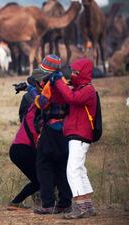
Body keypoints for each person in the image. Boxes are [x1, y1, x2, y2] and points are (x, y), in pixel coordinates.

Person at [50, 58, 97, 219]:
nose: (74, 75)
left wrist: (60, 81)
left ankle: (79, 207)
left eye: (77, 72)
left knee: (72, 170)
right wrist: (55, 84)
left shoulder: (88, 90)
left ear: (84, 73)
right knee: (80, 170)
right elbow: (59, 99)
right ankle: (87, 205)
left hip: (80, 134)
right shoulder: (79, 89)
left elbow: (71, 98)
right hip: (77, 134)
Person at [27, 55, 73, 214]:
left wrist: (32, 91)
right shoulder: (65, 82)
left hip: (51, 130)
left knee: (43, 165)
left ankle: (48, 204)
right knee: (62, 166)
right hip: (65, 130)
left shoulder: (52, 83)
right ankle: (65, 203)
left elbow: (42, 103)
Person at [7, 70, 44, 211]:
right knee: (40, 178)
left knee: (39, 179)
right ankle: (16, 203)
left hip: (20, 148)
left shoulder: (32, 103)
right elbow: (42, 101)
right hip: (23, 148)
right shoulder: (36, 106)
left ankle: (16, 202)